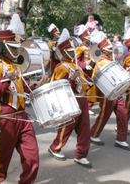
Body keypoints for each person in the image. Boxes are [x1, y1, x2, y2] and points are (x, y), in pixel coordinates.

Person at [0, 13, 48, 184]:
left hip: (22, 117)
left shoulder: (17, 67)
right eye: (14, 47)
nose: (17, 50)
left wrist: (38, 84)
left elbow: (24, 91)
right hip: (5, 118)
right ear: (5, 47)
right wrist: (6, 79)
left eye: (18, 47)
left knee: (32, 158)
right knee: (0, 164)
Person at [48, 28, 93, 168]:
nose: (73, 50)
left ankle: (81, 154)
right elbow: (57, 86)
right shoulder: (61, 67)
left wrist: (90, 82)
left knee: (85, 128)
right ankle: (55, 147)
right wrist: (70, 79)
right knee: (67, 127)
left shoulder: (74, 65)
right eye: (70, 48)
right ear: (64, 51)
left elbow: (84, 80)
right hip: (71, 99)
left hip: (82, 99)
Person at [89, 31, 130, 151]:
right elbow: (95, 78)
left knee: (123, 115)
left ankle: (121, 139)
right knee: (104, 116)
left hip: (117, 92)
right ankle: (93, 134)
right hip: (107, 93)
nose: (112, 50)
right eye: (109, 49)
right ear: (104, 50)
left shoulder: (111, 61)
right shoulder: (100, 62)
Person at [76, 25, 94, 115]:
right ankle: (82, 107)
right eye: (88, 38)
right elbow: (76, 61)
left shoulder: (89, 48)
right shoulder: (79, 48)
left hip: (89, 72)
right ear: (84, 39)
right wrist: (84, 66)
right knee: (82, 89)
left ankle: (87, 106)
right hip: (83, 72)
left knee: (88, 89)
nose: (89, 40)